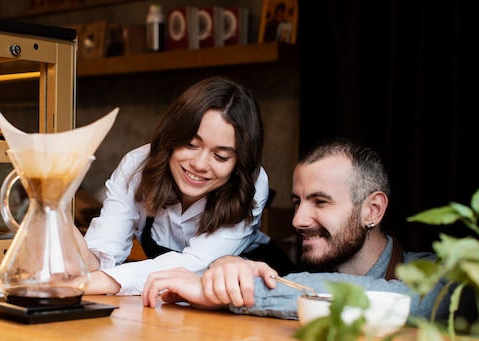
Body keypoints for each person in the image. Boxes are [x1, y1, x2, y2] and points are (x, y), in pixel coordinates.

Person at [142, 137, 455, 320]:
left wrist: (242, 293)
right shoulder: (290, 272)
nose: (298, 220)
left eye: (320, 202)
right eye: (297, 202)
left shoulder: (452, 276)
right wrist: (226, 268)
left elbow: (395, 300)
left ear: (372, 210)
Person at [76, 76, 295, 296]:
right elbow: (102, 251)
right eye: (190, 144)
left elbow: (195, 264)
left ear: (239, 163)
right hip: (177, 301)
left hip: (258, 291)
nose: (199, 165)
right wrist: (79, 253)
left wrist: (87, 284)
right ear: (171, 135)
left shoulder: (252, 184)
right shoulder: (137, 166)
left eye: (220, 156)